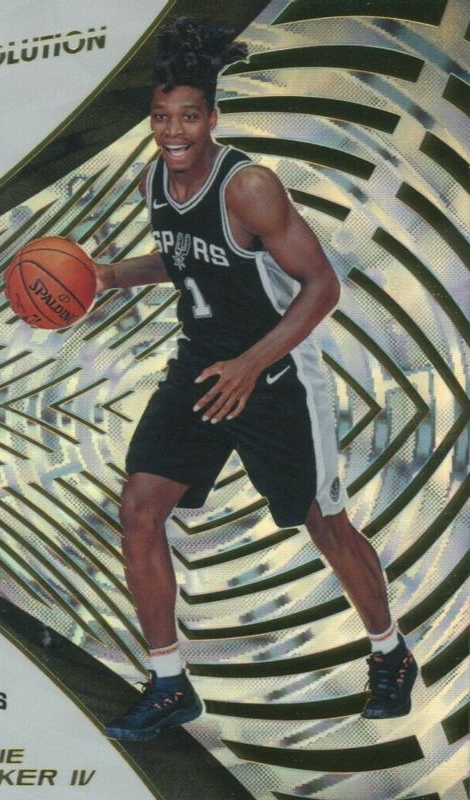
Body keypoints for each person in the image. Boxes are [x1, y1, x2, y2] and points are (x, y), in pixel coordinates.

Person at [89, 18, 417, 742]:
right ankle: (170, 683)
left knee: (324, 521)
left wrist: (251, 363)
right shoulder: (154, 180)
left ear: (212, 118)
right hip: (200, 367)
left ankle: (390, 652)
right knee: (140, 508)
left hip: (275, 375)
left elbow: (321, 286)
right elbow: (184, 257)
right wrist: (110, 275)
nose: (173, 131)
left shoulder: (250, 187)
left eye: (188, 117)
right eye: (161, 117)